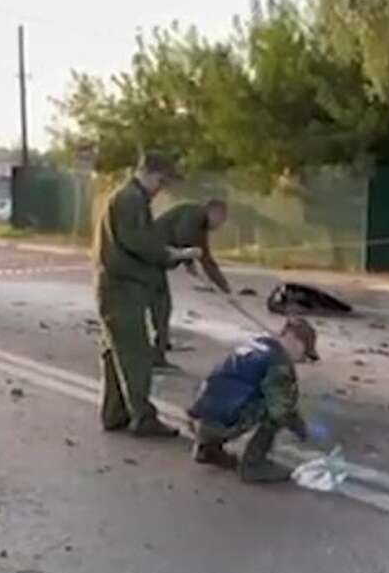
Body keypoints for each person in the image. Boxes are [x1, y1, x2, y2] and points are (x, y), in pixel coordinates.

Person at [93, 152, 204, 438]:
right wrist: (174, 254)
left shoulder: (129, 198)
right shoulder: (130, 200)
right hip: (122, 288)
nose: (162, 188)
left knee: (116, 352)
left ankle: (115, 412)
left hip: (118, 286)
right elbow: (140, 243)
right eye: (162, 181)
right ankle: (143, 417)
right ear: (152, 174)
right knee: (135, 354)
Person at [188, 317, 320, 484]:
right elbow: (280, 410)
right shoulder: (278, 364)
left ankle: (206, 448)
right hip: (222, 424)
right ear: (297, 343)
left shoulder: (254, 345)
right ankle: (253, 465)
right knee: (277, 411)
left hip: (199, 416)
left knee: (241, 393)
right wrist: (298, 427)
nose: (301, 360)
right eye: (304, 354)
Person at [148, 198, 231, 369]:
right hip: (149, 261)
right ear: (214, 212)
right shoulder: (193, 215)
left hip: (156, 264)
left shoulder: (200, 225)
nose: (220, 225)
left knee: (162, 308)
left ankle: (158, 351)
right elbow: (183, 237)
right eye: (221, 220)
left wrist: (225, 289)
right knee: (159, 307)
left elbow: (206, 259)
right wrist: (189, 261)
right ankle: (153, 353)